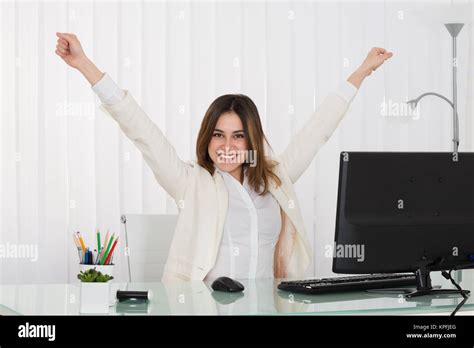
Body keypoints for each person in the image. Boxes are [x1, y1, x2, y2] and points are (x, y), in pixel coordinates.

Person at [55, 32, 392, 281]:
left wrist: (360, 72)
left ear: (251, 140)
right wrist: (85, 65)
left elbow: (317, 131)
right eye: (218, 135)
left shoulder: (275, 179)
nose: (226, 145)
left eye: (237, 135)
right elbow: (139, 128)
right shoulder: (190, 182)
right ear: (207, 138)